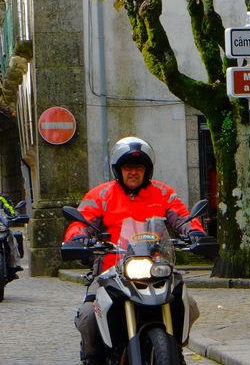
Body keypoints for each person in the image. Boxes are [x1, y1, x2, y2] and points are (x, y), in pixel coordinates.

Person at [63, 136, 206, 365]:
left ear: (147, 170)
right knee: (89, 316)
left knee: (188, 304)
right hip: (110, 271)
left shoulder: (162, 192)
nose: (133, 172)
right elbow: (81, 222)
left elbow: (181, 216)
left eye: (138, 167)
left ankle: (173, 349)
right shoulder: (101, 195)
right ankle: (94, 360)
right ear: (118, 170)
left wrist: (195, 232)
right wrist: (78, 237)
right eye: (127, 167)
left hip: (157, 269)